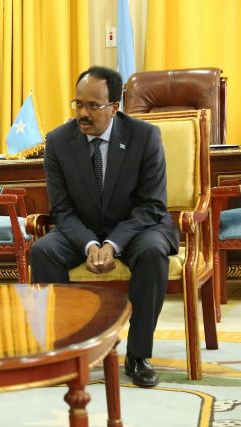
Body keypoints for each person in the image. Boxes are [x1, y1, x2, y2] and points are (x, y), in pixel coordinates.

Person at [29, 66, 179, 387]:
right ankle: (73, 349)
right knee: (42, 251)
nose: (82, 113)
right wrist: (90, 245)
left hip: (138, 227)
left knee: (154, 252)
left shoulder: (144, 136)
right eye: (78, 104)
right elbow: (62, 209)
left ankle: (138, 355)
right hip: (82, 228)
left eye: (93, 106)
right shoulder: (58, 142)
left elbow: (152, 205)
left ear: (114, 107)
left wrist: (113, 244)